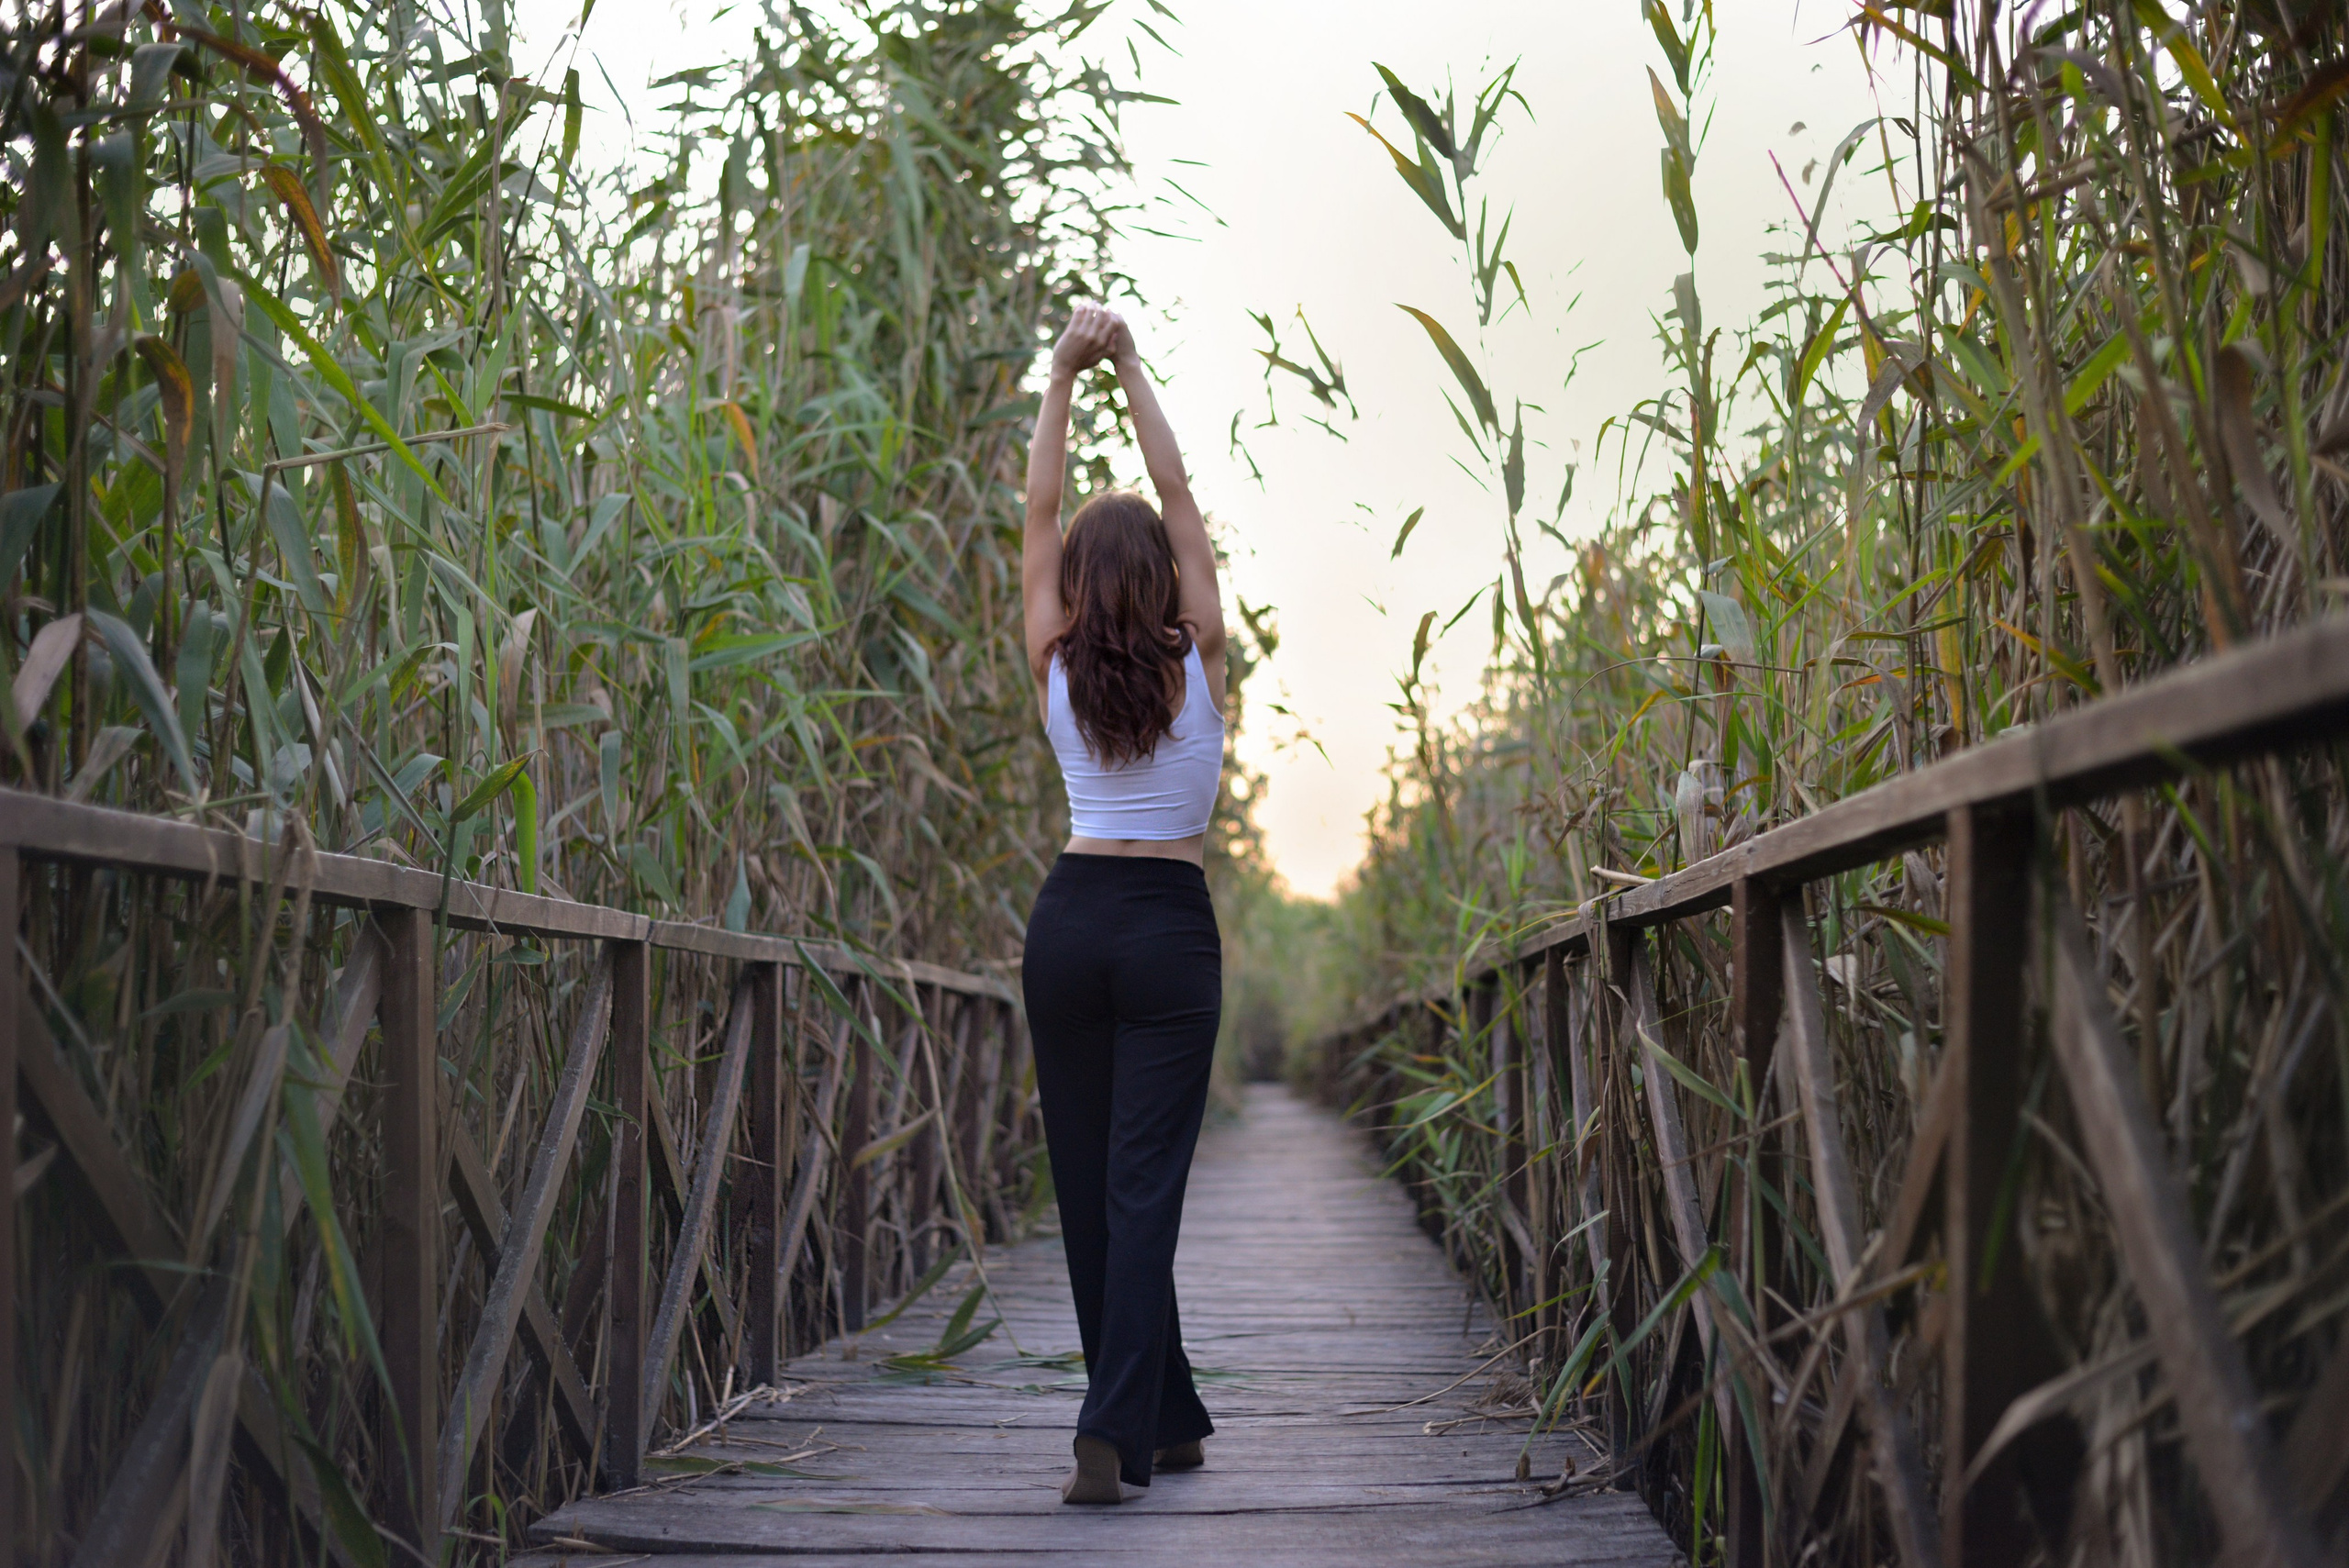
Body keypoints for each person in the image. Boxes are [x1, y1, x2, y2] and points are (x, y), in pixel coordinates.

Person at [1019, 303, 1225, 1506]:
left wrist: (1061, 379)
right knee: (1143, 1180)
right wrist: (1133, 366)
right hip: (1165, 929)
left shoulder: (1050, 658)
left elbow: (1039, 516)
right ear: (1158, 579)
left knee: (1094, 1176)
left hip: (1069, 921)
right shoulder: (1196, 652)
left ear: (1078, 588)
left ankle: (1163, 1411)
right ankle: (1111, 1422)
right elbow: (1180, 490)